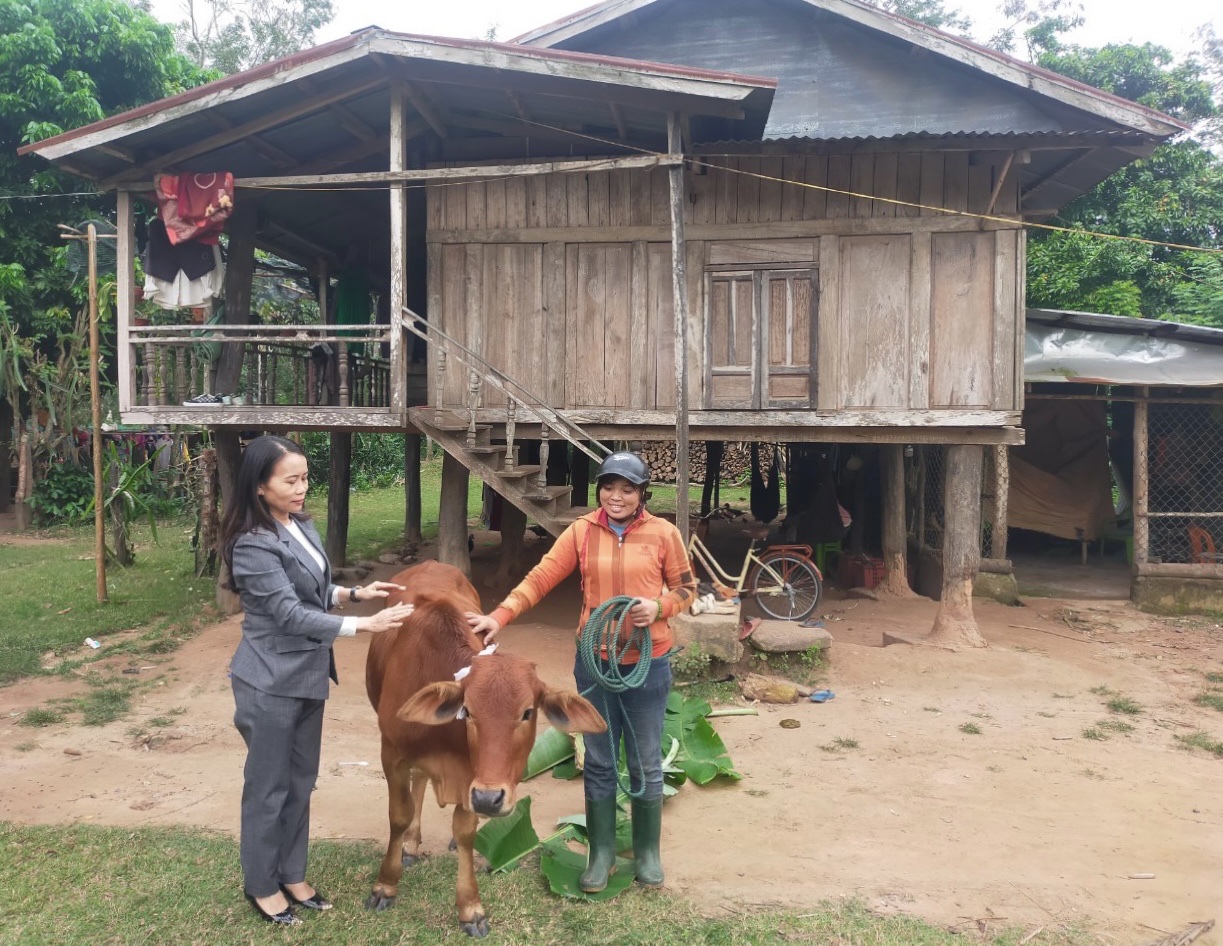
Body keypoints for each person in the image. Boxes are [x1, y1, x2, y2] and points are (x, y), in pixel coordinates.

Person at [468, 451, 697, 892]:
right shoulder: (581, 531)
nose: (616, 496)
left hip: (648, 665)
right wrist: (498, 617)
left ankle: (648, 853)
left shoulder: (664, 533)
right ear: (599, 490)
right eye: (609, 486)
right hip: (594, 664)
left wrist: (661, 606)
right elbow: (541, 577)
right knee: (598, 759)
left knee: (646, 760)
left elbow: (687, 587)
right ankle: (602, 852)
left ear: (642, 494)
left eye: (627, 489)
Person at [221, 435, 415, 926]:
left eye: (305, 477)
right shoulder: (251, 544)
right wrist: (362, 626)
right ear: (260, 486)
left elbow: (310, 589)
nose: (302, 487)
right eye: (291, 480)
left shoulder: (299, 525)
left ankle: (293, 872)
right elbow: (286, 611)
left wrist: (353, 592)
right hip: (269, 682)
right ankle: (262, 884)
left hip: (307, 676)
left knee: (301, 782)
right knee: (269, 786)